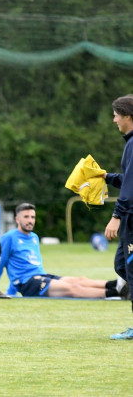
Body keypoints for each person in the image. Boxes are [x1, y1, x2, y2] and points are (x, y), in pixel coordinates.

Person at [0, 202, 127, 299]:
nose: (30, 220)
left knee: (80, 280)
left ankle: (117, 284)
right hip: (29, 283)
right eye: (26, 217)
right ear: (17, 219)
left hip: (41, 275)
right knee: (73, 289)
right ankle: (116, 292)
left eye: (32, 217)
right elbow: (0, 264)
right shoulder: (9, 237)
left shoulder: (34, 237)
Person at [104, 95, 133, 340]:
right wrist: (105, 177)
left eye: (116, 115)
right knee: (122, 266)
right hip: (130, 220)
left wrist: (116, 215)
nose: (114, 119)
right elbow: (127, 181)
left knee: (130, 270)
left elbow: (130, 187)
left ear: (127, 116)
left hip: (131, 220)